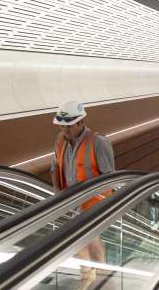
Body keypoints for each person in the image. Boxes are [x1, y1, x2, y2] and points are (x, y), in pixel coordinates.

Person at [51, 100, 115, 290]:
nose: (65, 129)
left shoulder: (98, 142)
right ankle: (89, 275)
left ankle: (100, 276)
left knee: (89, 240)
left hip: (95, 204)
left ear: (81, 121)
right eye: (62, 125)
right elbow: (55, 165)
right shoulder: (60, 140)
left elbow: (110, 177)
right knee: (79, 240)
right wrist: (56, 190)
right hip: (71, 202)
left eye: (69, 125)